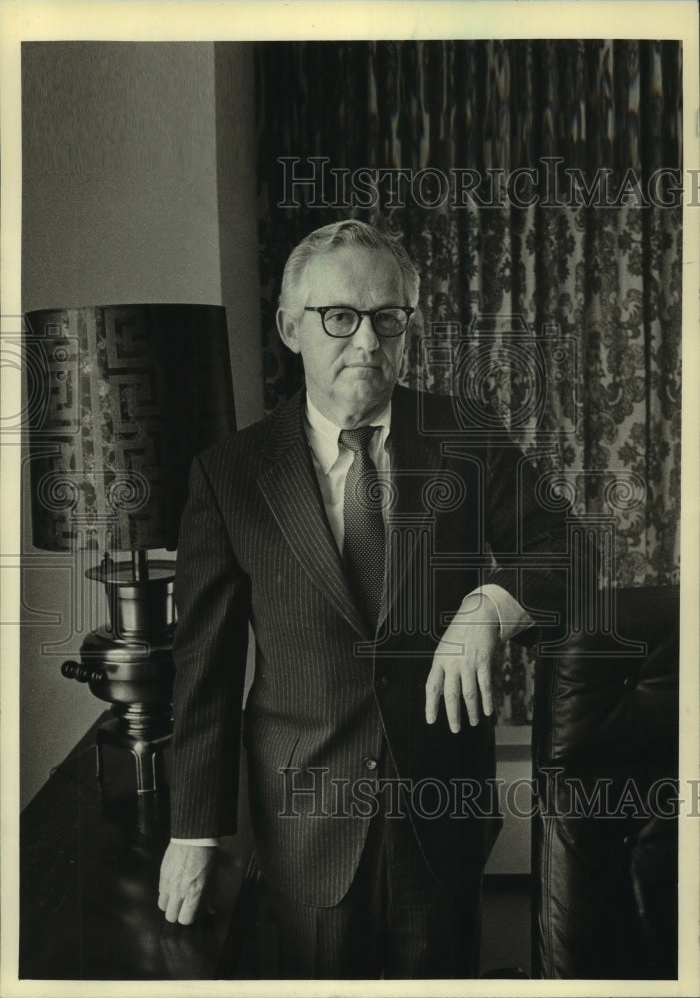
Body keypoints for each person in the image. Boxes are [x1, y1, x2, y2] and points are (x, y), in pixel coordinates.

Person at [158, 219, 574, 978]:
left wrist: (489, 604)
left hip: (440, 809)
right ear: (291, 327)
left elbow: (570, 552)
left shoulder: (466, 436)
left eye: (389, 319)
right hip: (305, 820)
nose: (367, 342)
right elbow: (204, 670)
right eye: (339, 318)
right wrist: (194, 833)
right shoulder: (231, 474)